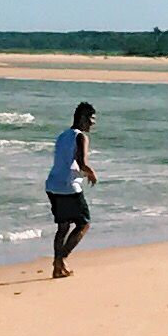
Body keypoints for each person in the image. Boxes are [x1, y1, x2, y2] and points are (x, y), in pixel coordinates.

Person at [45, 102, 97, 277]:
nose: (93, 123)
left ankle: (57, 268)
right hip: (69, 187)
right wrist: (91, 173)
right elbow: (82, 162)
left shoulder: (62, 135)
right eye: (91, 118)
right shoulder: (81, 136)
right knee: (84, 223)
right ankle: (61, 259)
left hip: (52, 185)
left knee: (63, 227)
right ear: (82, 118)